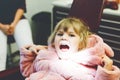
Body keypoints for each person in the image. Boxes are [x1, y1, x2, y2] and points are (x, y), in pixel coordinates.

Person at [20, 17, 120, 80]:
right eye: (59, 34)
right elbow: (26, 72)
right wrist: (30, 54)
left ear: (81, 42)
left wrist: (106, 70)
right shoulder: (45, 56)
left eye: (71, 35)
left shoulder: (83, 69)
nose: (64, 37)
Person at [0, 0, 33, 71]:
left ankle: (31, 74)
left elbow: (21, 7)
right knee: (0, 55)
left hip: (17, 20)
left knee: (28, 51)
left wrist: (13, 24)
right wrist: (2, 27)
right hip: (0, 24)